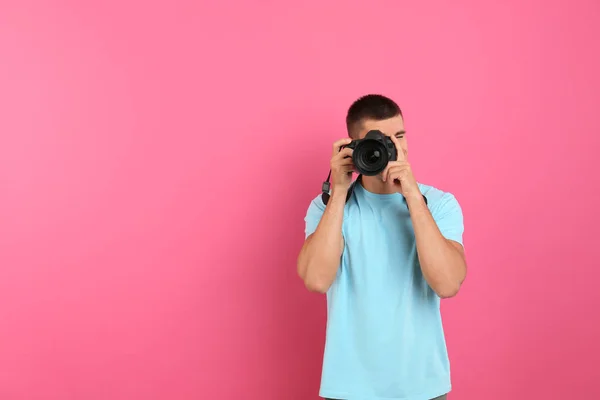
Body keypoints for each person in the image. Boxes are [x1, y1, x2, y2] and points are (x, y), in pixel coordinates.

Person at [296, 94, 467, 400]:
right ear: (352, 147)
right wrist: (338, 191)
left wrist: (412, 195)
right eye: (378, 141)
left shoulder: (440, 204)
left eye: (398, 137)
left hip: (422, 387)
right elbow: (316, 280)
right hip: (349, 388)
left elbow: (448, 283)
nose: (391, 148)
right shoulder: (327, 208)